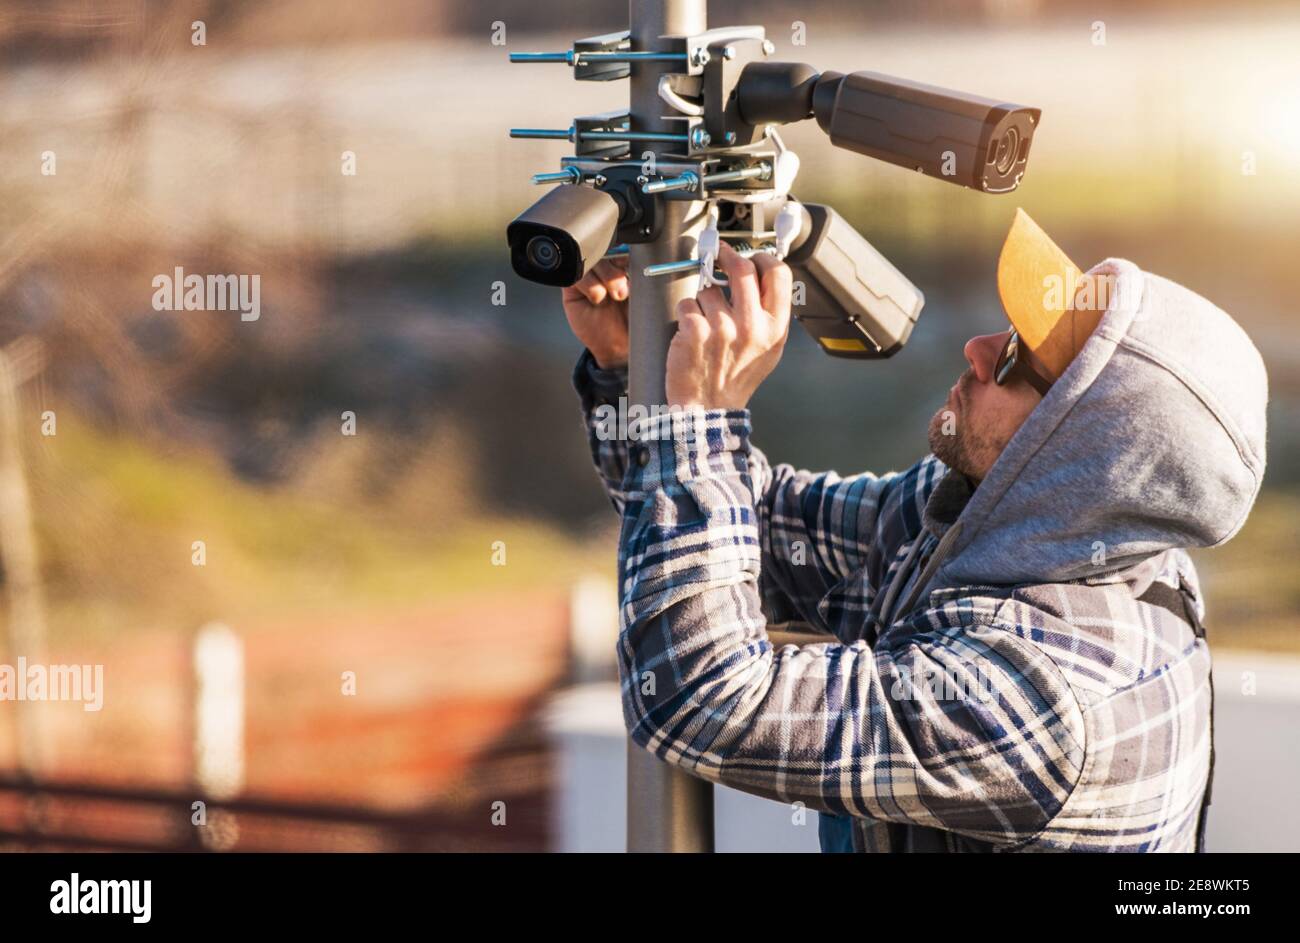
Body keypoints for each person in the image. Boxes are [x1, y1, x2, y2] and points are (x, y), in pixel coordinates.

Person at [562, 209, 1268, 852]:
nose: (979, 347)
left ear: (1078, 452)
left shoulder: (1053, 703)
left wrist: (699, 422)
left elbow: (699, 699)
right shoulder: (1016, 520)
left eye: (1020, 361)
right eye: (1010, 327)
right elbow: (766, 532)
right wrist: (634, 372)